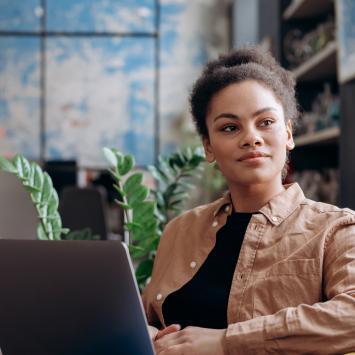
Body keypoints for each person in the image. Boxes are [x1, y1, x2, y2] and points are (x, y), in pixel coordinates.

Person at [142, 46, 355, 354]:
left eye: (265, 122)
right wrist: (145, 332)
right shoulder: (181, 230)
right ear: (208, 147)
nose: (251, 137)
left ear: (289, 134)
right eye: (230, 127)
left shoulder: (336, 229)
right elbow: (150, 315)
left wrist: (225, 342)